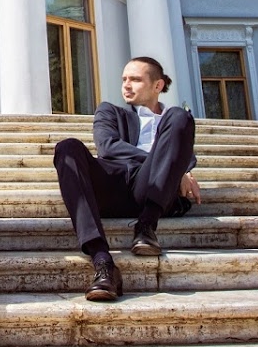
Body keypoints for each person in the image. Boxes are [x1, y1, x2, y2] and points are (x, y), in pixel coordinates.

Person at [52, 57, 201, 301]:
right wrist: (172, 166)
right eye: (124, 79)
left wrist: (179, 169)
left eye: (135, 79)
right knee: (67, 148)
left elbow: (186, 157)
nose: (126, 85)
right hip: (113, 182)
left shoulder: (175, 122)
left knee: (180, 115)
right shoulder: (110, 111)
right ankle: (103, 262)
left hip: (154, 189)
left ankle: (146, 226)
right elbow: (108, 148)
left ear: (157, 85)